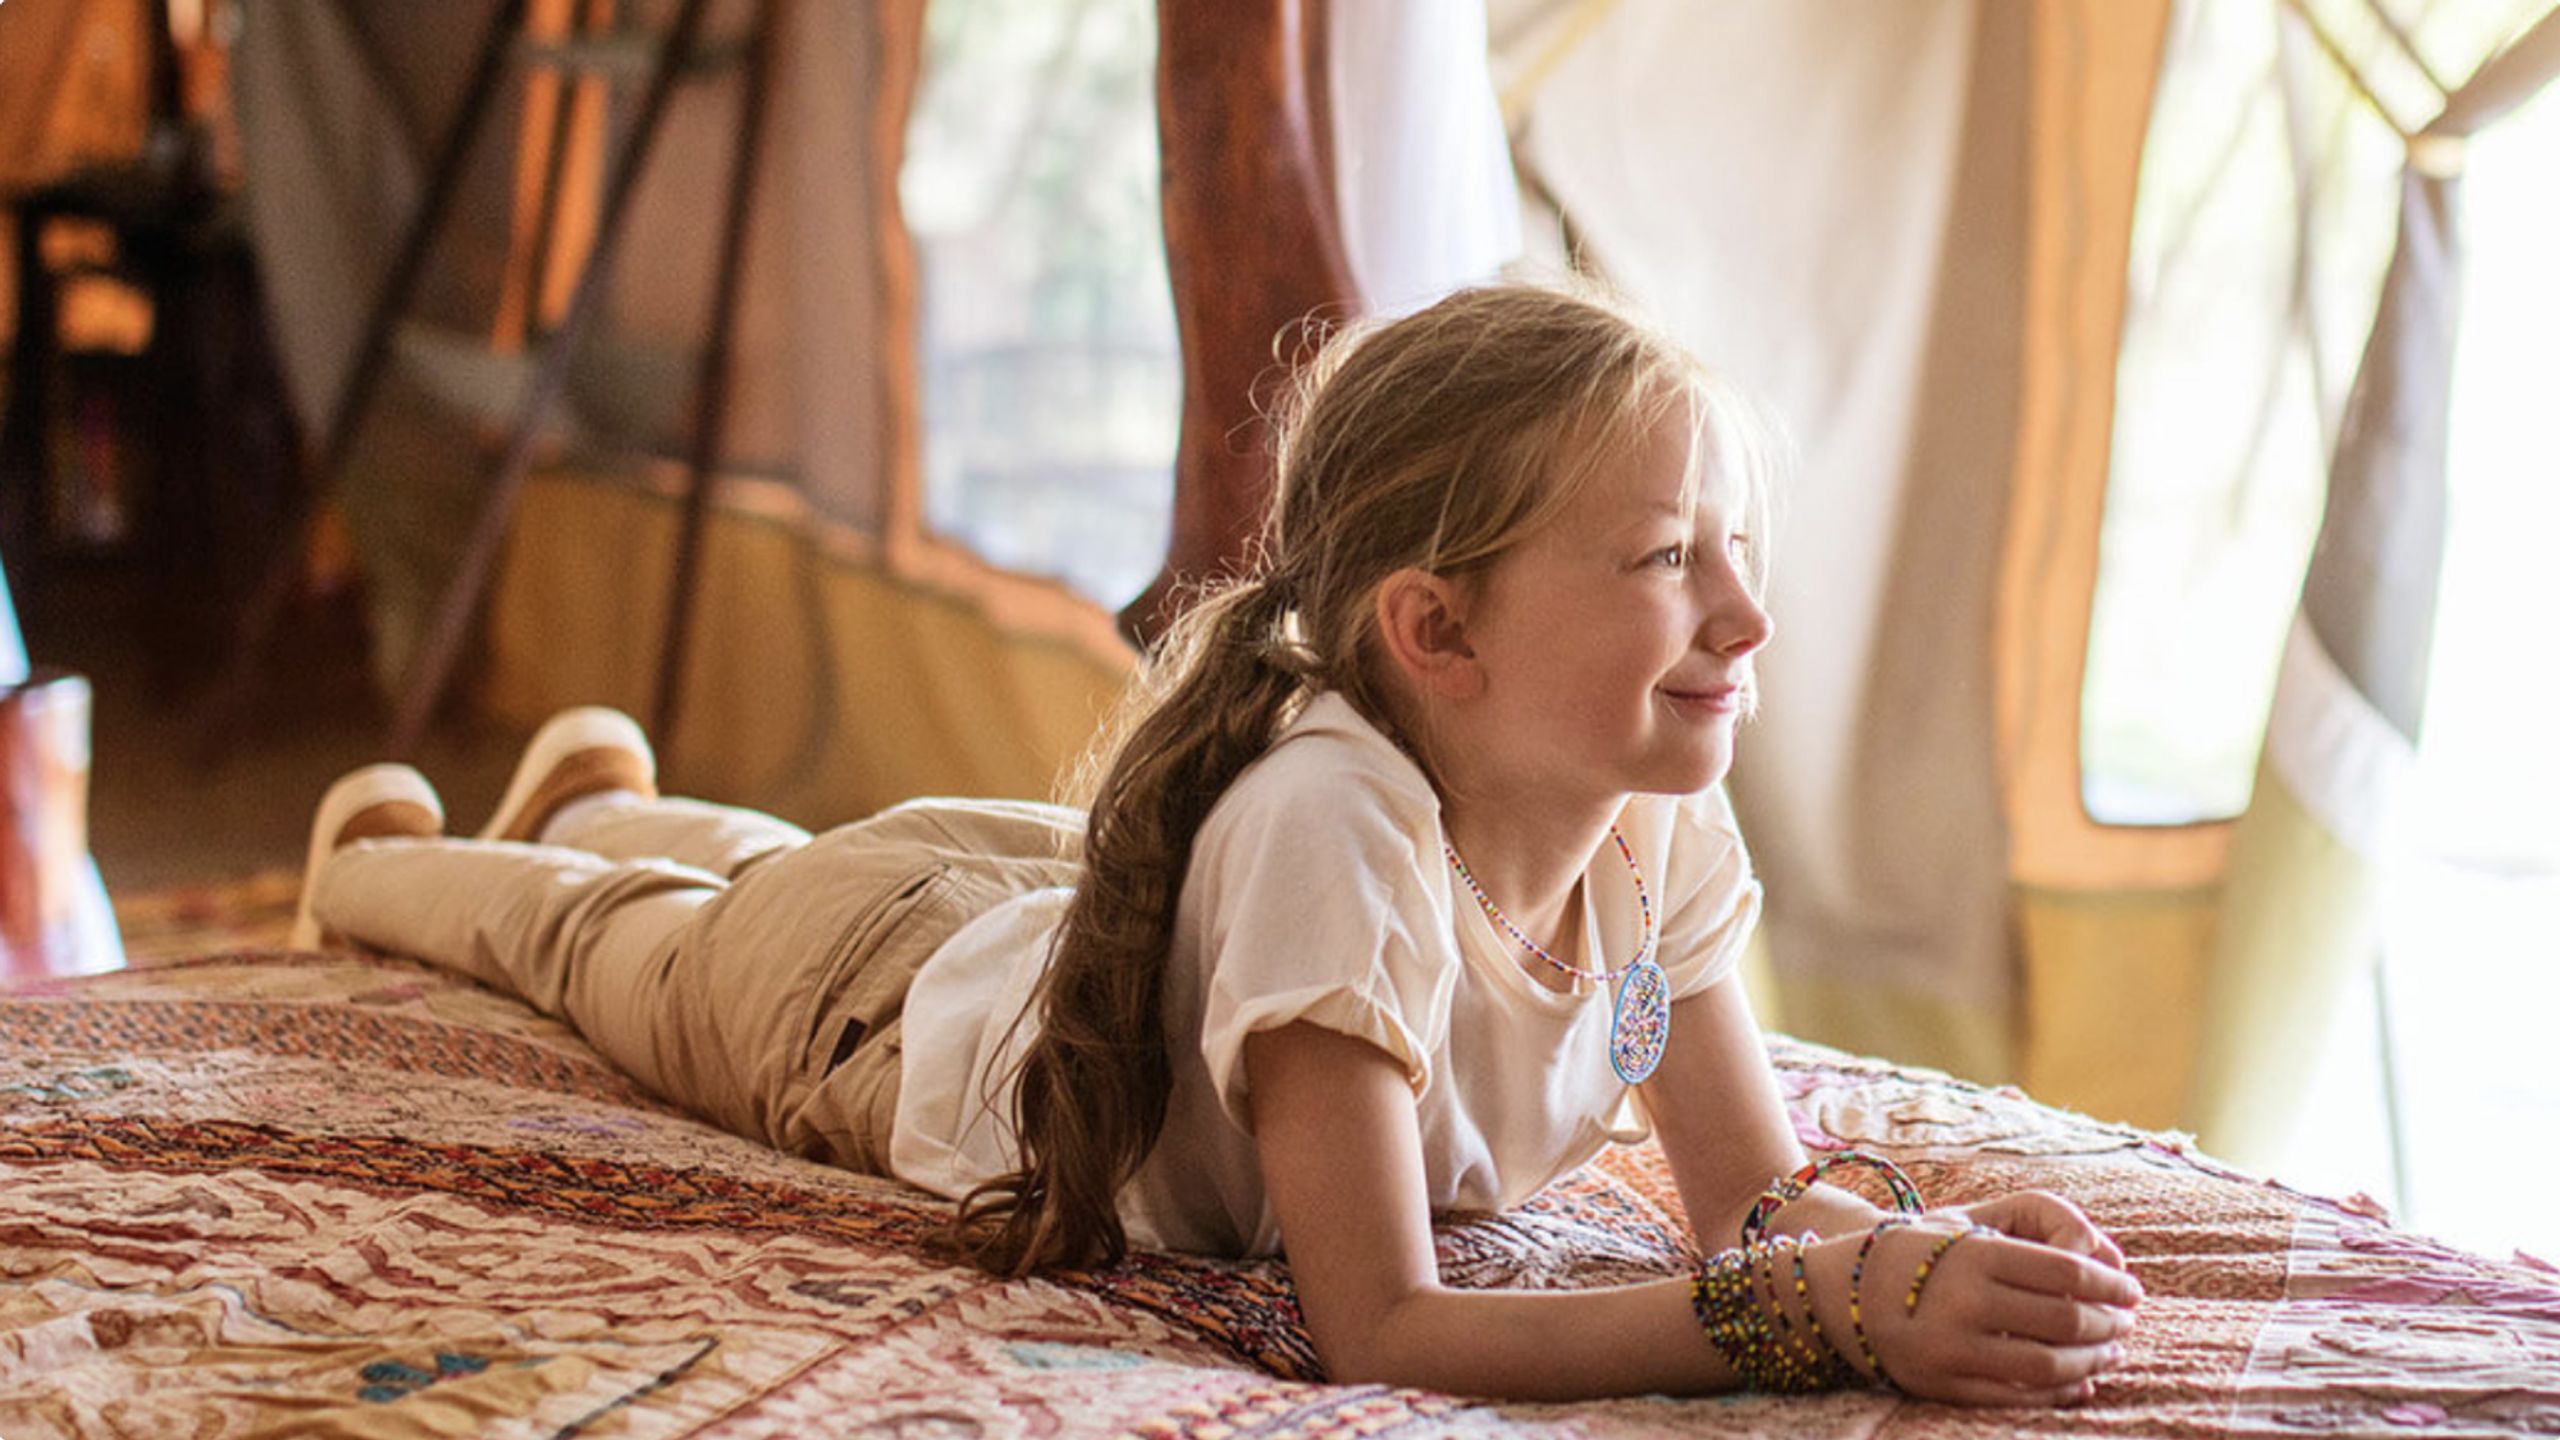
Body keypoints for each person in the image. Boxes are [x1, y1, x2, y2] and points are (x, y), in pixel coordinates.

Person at [292, 284, 2142, 1405]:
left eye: (1734, 548)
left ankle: (608, 798)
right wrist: (1791, 1316)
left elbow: (1747, 1198)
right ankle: (391, 858)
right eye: (1670, 560)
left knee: (776, 866)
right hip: (882, 1001)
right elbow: (1385, 1323)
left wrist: (1914, 1250)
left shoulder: (1656, 821)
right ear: (1440, 635)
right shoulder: (1334, 835)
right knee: (622, 945)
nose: (1744, 616)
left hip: (1016, 897)